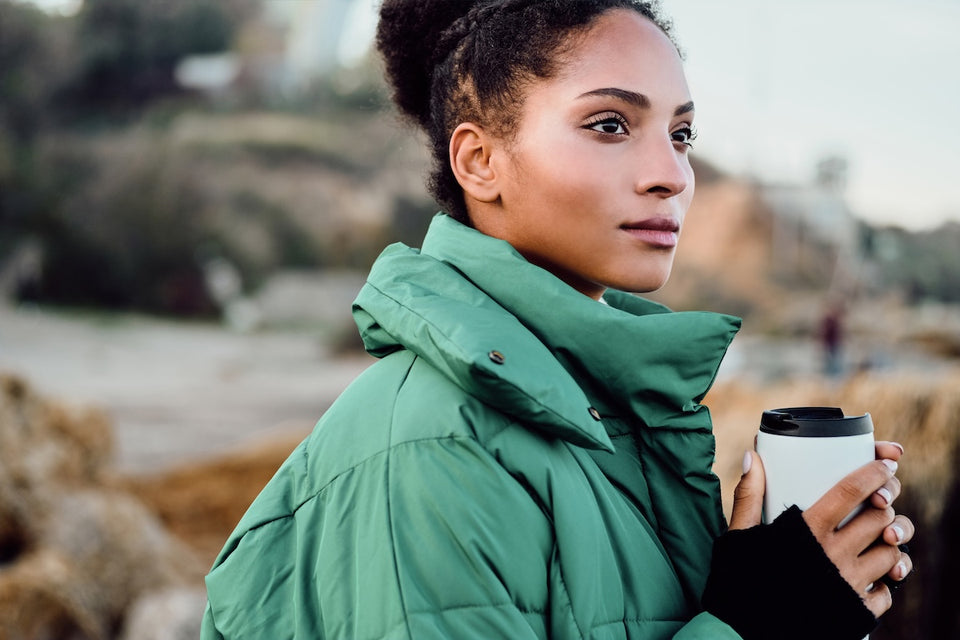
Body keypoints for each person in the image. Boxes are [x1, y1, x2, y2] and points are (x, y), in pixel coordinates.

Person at [201, 1, 914, 638]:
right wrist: (760, 625)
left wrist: (762, 588)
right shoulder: (437, 447)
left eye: (682, 135)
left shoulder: (609, 416)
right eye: (610, 124)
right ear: (480, 162)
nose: (670, 173)